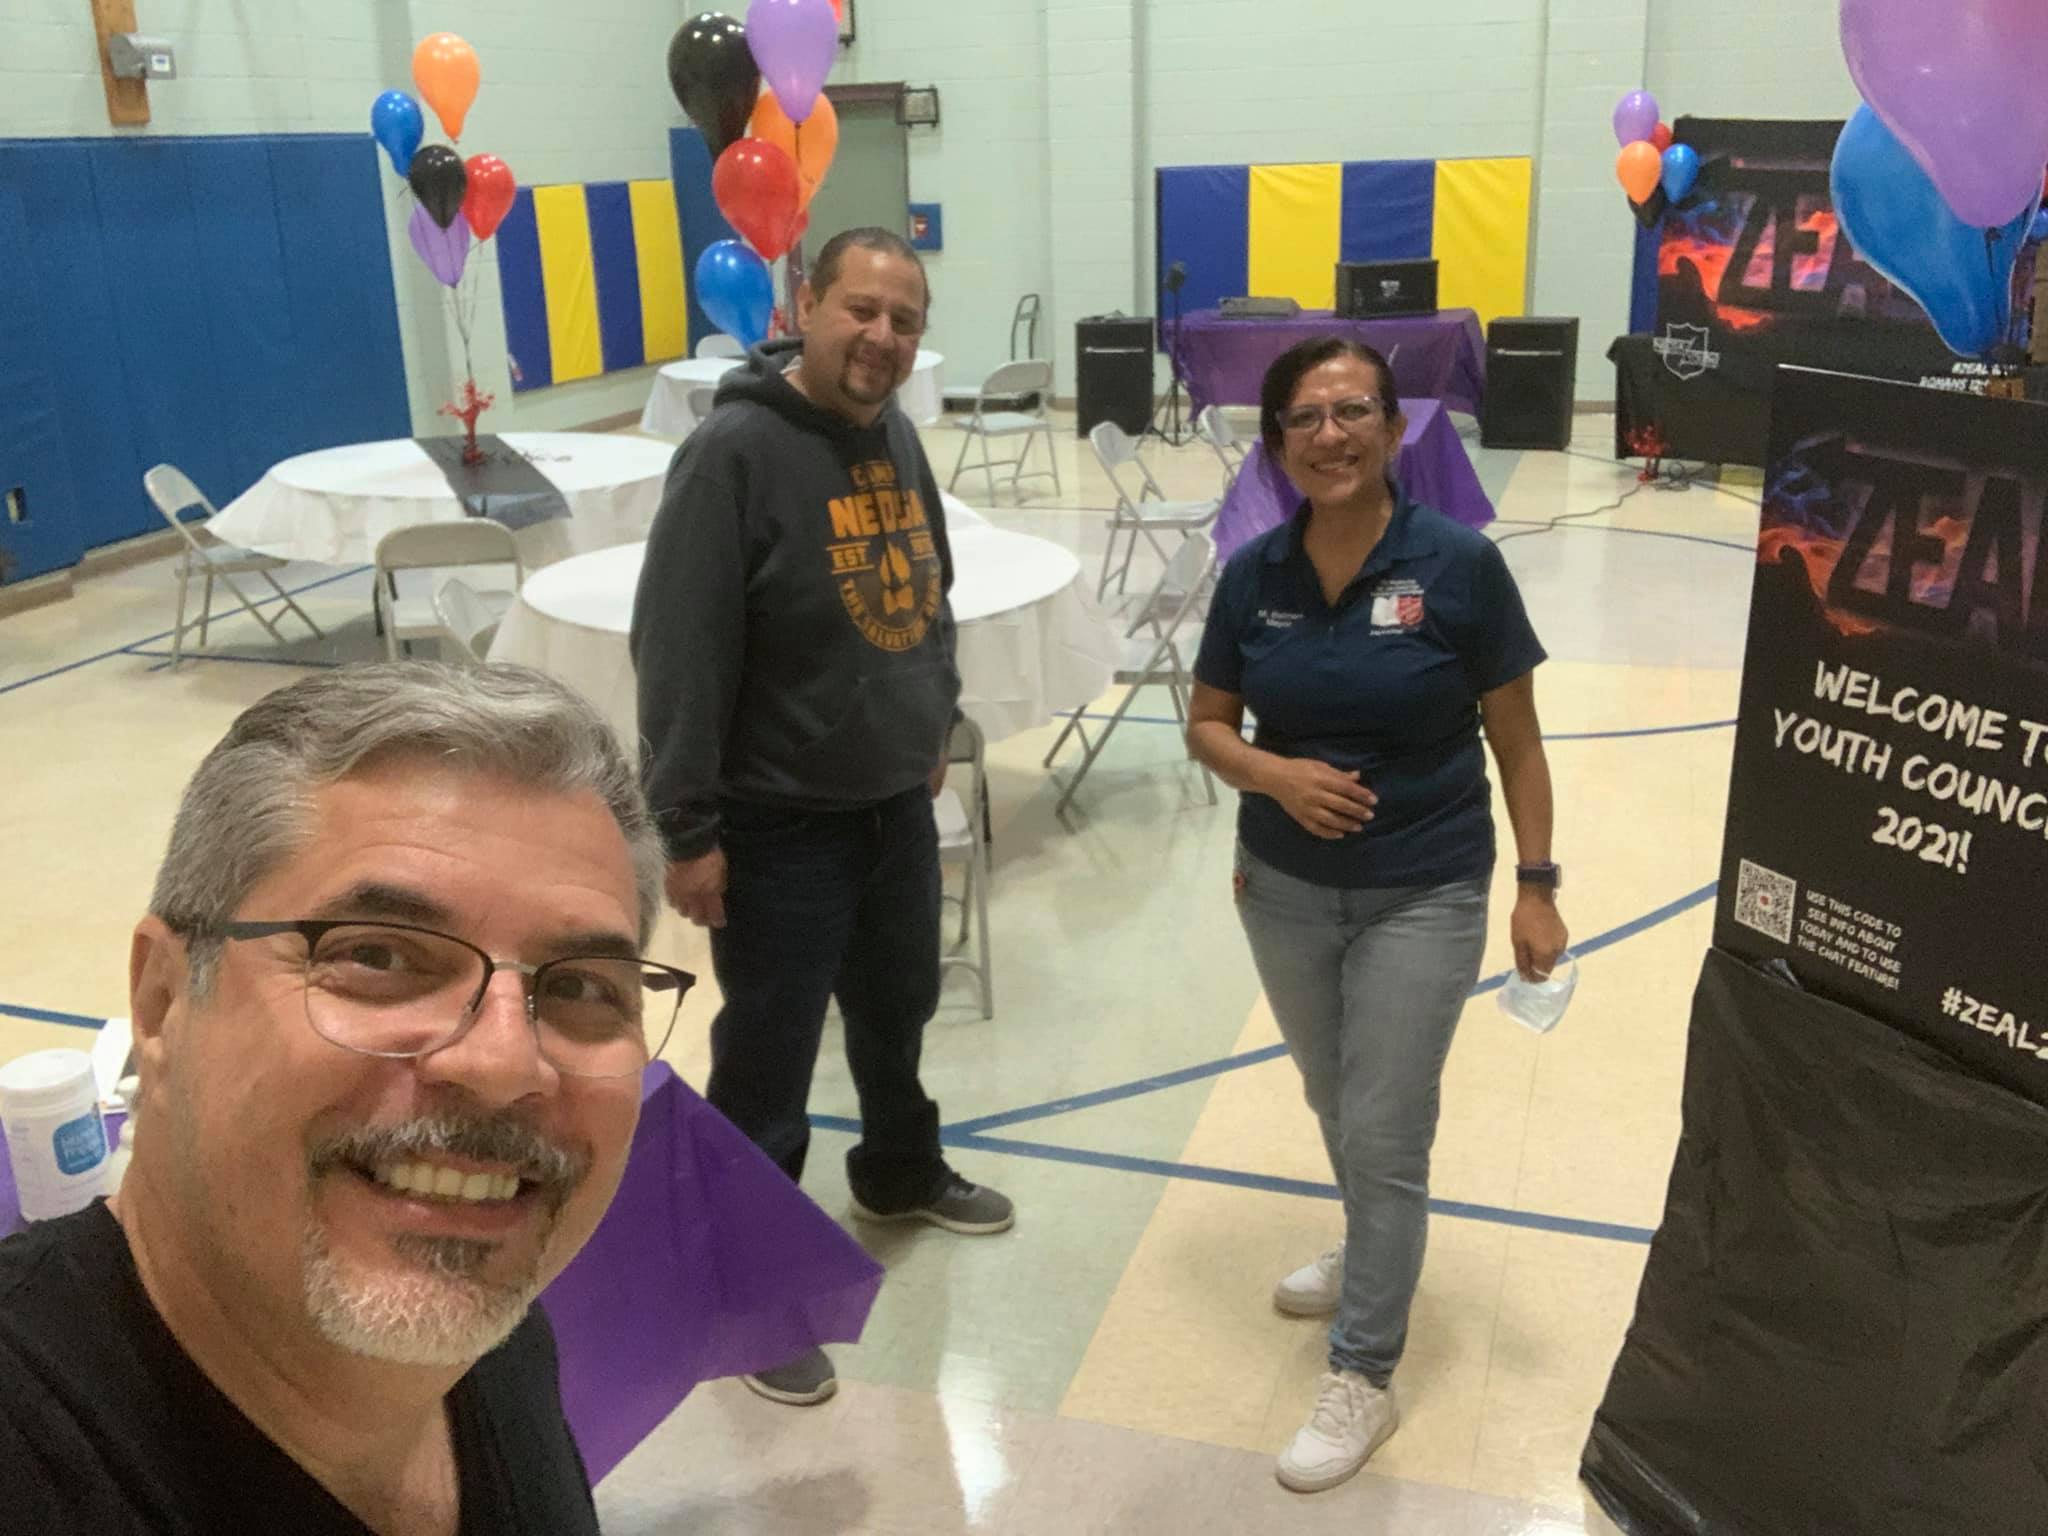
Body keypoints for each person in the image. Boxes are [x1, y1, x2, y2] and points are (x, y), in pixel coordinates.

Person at [0, 662, 689, 1534]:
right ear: (163, 1000)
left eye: (582, 987)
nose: (503, 1063)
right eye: (378, 957)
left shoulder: (496, 1338)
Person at [631, 226, 1014, 1410]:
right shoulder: (731, 455)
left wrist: (932, 720)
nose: (882, 336)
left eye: (904, 319)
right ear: (804, 305)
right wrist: (687, 831)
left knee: (896, 1014)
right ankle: (742, 1288)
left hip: (891, 803)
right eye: (861, 310)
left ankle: (897, 1171)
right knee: (768, 1064)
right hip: (778, 822)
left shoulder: (893, 433)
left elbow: (930, 589)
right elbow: (679, 652)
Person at [1186, 338, 1568, 1494]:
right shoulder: (1252, 574)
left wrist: (1537, 885)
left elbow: (1516, 740)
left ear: (1396, 431)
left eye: (1353, 411)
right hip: (1282, 891)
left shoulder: (1456, 565)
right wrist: (1274, 775)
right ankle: (1367, 1248)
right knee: (1331, 1095)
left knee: (1385, 1126)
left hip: (1425, 886)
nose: (1330, 435)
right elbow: (1206, 724)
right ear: (1276, 446)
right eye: (1303, 418)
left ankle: (1364, 1369)